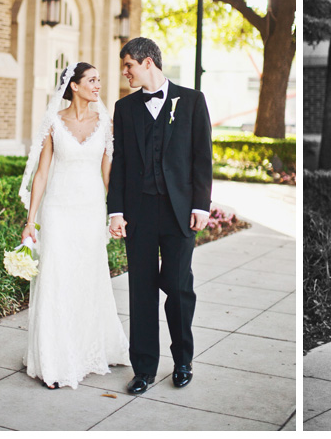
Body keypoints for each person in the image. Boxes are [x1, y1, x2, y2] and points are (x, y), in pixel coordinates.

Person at [107, 37, 213, 394]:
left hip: (179, 211)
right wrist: (116, 211)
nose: (125, 73)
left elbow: (202, 158)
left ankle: (183, 361)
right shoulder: (125, 109)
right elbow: (119, 162)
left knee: (179, 287)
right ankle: (145, 369)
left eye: (129, 66)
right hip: (139, 213)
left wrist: (201, 205)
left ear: (148, 62)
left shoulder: (192, 101)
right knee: (141, 289)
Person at [20, 62, 130, 390]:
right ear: (75, 86)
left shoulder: (105, 122)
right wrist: (31, 221)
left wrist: (117, 214)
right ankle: (53, 360)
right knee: (56, 277)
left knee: (87, 276)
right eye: (92, 80)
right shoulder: (54, 121)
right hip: (57, 209)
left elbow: (110, 174)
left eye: (99, 79)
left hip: (91, 210)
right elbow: (41, 174)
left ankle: (88, 350)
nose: (99, 85)